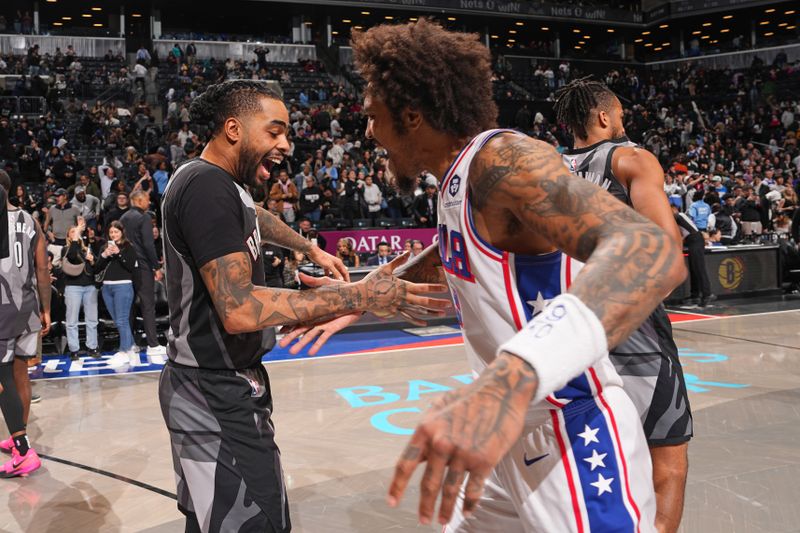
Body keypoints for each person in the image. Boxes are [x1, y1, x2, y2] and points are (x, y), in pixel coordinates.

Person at [283, 21, 685, 531]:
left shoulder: (503, 160)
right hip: (507, 436)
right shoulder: (458, 182)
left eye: (372, 117)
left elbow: (651, 251)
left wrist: (507, 379)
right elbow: (449, 252)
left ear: (411, 115)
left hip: (570, 432)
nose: (367, 132)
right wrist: (362, 295)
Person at [158, 79, 450, 533]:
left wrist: (308, 248)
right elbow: (238, 309)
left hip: (213, 386)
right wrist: (361, 294)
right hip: (213, 391)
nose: (285, 144)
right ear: (233, 128)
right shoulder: (207, 189)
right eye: (274, 131)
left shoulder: (217, 183)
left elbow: (255, 215)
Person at [555, 77, 693, 533]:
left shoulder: (543, 169)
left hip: (564, 332)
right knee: (667, 457)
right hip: (632, 331)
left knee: (582, 463)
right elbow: (666, 252)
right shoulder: (629, 158)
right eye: (620, 115)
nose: (623, 122)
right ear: (603, 117)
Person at [0, 171, 49, 477]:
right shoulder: (30, 220)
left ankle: (23, 448)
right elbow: (43, 268)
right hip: (28, 308)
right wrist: (46, 309)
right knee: (21, 375)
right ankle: (20, 431)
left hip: (3, 311)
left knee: (3, 380)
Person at [121, 190, 166, 357]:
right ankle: (153, 345)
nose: (149, 201)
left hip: (127, 267)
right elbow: (148, 245)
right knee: (148, 305)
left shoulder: (124, 218)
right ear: (139, 200)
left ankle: (129, 344)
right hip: (143, 266)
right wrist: (156, 267)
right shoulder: (144, 217)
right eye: (147, 198)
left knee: (130, 306)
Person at [94, 221, 138, 362]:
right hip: (107, 287)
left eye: (116, 232)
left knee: (122, 320)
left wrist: (119, 254)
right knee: (118, 321)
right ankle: (131, 346)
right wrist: (104, 255)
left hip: (123, 286)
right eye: (111, 232)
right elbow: (97, 268)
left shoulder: (128, 247)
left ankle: (124, 351)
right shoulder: (104, 247)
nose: (113, 234)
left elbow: (131, 266)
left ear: (122, 232)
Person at [61, 224, 99, 359]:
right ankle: (74, 349)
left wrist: (93, 260)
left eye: (76, 232)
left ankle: (92, 347)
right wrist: (77, 236)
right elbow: (72, 255)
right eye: (72, 232)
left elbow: (96, 268)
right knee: (72, 320)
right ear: (68, 236)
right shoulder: (66, 249)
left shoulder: (87, 249)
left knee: (92, 319)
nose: (75, 234)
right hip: (73, 287)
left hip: (89, 286)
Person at [673, 205, 715, 307]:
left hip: (695, 239)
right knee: (693, 269)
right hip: (691, 241)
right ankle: (695, 295)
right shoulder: (677, 219)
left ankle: (707, 294)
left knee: (699, 268)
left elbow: (680, 230)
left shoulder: (680, 216)